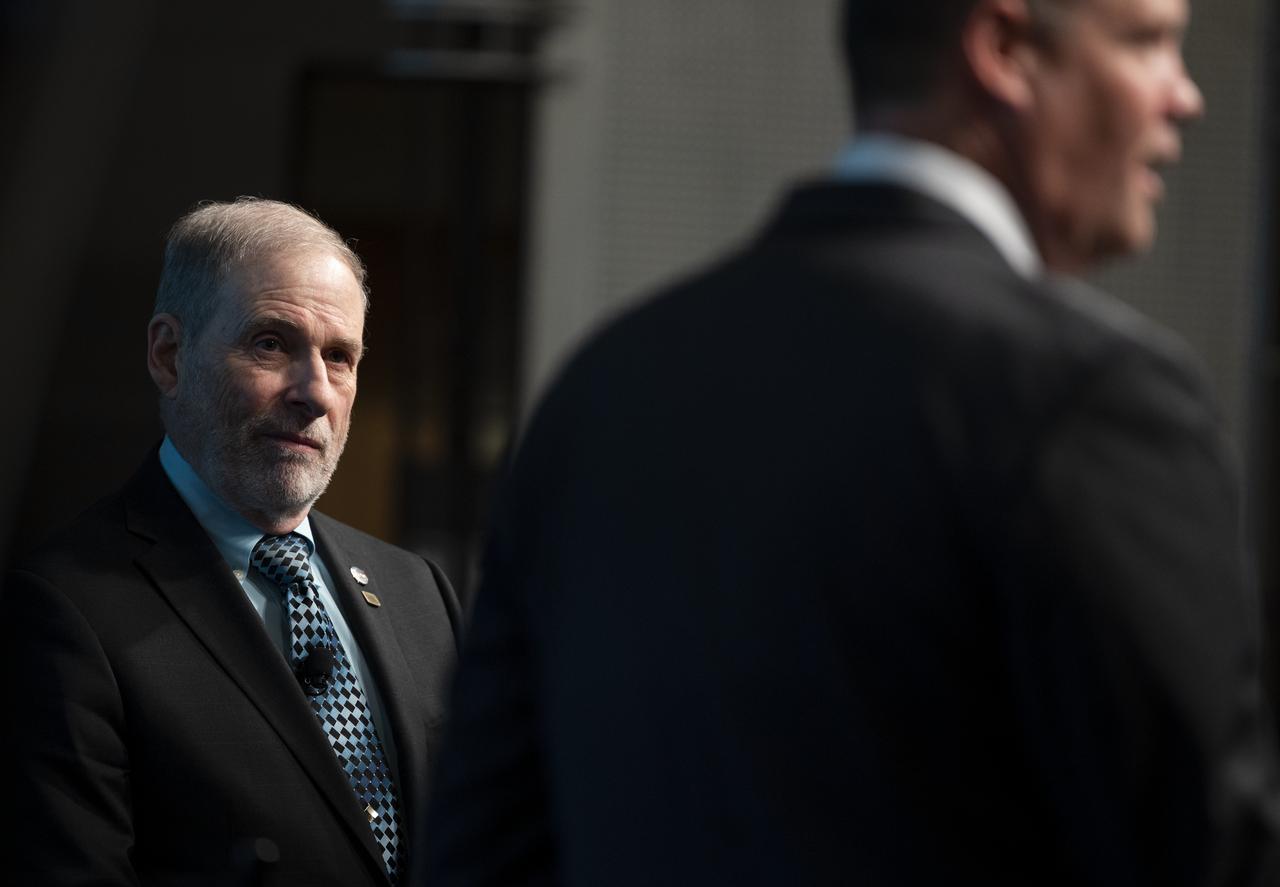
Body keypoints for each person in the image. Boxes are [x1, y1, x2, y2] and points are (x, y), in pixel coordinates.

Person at [423, 1, 1280, 885]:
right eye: (1146, 42)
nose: (1185, 97)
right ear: (1006, 50)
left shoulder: (600, 390)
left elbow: (483, 853)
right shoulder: (1091, 399)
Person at [3, 198, 461, 886]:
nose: (315, 392)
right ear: (169, 355)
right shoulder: (65, 612)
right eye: (271, 343)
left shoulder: (417, 592)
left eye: (340, 357)